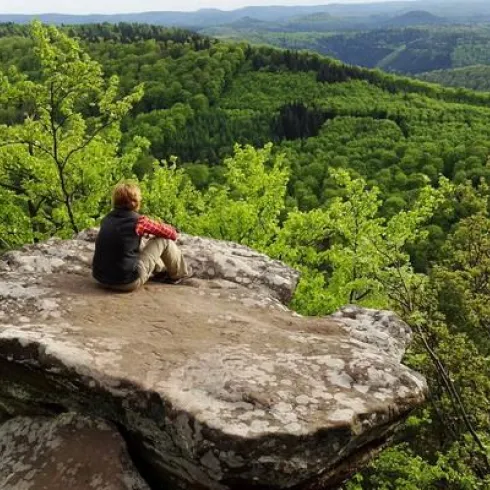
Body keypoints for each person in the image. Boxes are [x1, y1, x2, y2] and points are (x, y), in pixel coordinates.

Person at [92, 182, 190, 292]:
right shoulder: (139, 221)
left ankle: (159, 270)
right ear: (136, 202)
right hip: (127, 282)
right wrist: (164, 226)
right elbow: (171, 234)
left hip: (100, 279)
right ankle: (179, 274)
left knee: (136, 242)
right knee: (163, 241)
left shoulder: (106, 219)